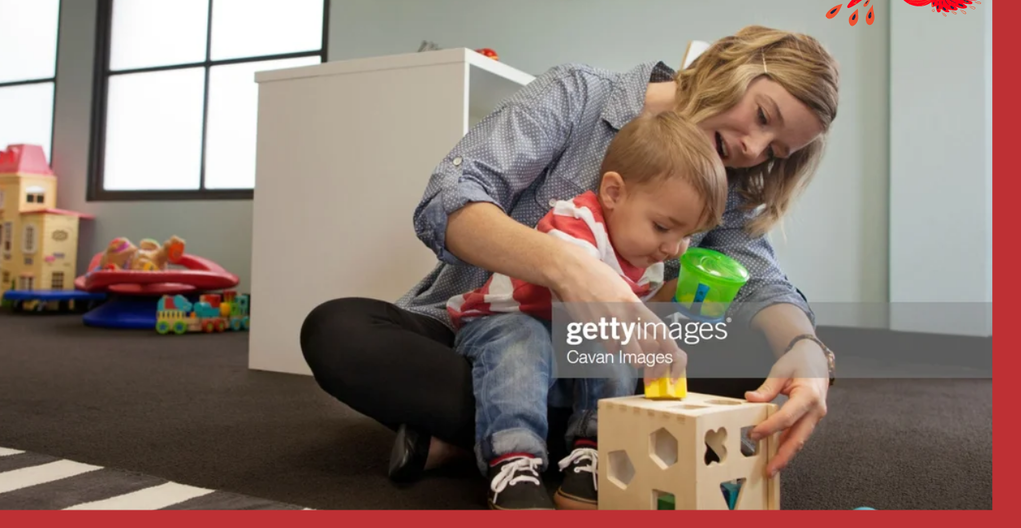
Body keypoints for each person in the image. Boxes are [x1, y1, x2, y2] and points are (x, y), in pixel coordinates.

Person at [299, 25, 840, 502]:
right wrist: (567, 267)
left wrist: (806, 351)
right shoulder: (578, 94)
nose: (753, 148)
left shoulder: (728, 175)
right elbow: (449, 198)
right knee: (339, 331)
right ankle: (588, 442)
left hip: (603, 360)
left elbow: (761, 280)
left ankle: (484, 439)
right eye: (763, 116)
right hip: (483, 328)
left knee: (758, 359)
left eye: (775, 151)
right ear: (730, 63)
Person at [447, 111, 729, 510]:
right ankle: (514, 460)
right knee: (527, 343)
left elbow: (638, 314)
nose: (673, 248)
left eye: (686, 235)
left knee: (614, 352)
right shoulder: (577, 221)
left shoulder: (646, 257)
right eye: (664, 228)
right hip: (505, 323)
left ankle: (592, 453)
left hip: (562, 347)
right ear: (613, 193)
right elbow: (588, 288)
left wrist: (683, 300)